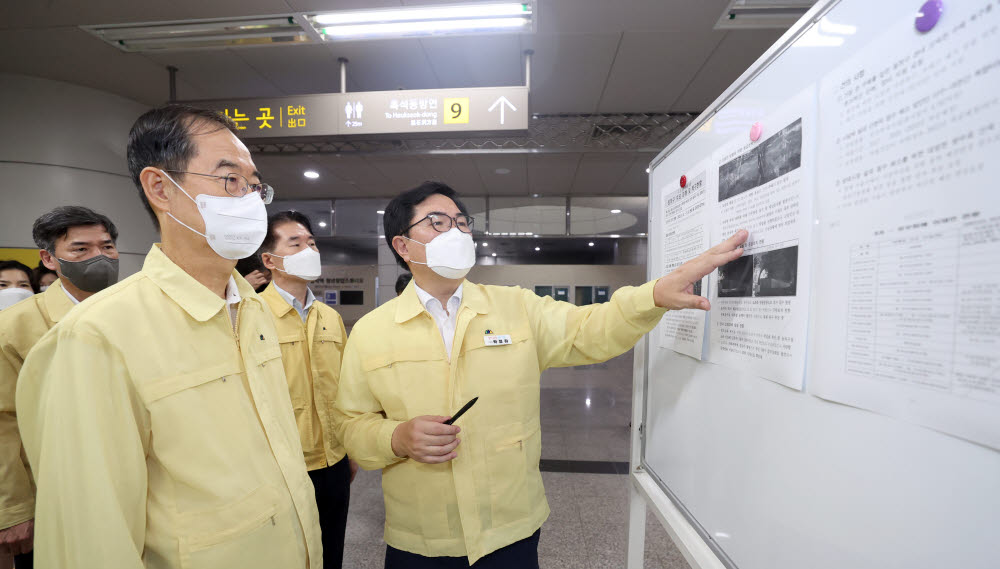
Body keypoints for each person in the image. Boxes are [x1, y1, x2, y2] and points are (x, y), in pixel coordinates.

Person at [336, 181, 747, 568]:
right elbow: (351, 424)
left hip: (510, 527)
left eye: (462, 223)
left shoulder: (516, 307)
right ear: (402, 245)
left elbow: (591, 328)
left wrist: (652, 295)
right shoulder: (372, 331)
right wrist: (396, 437)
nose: (456, 232)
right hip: (422, 537)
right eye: (438, 223)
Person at [15, 105, 321, 569]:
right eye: (229, 179)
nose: (251, 199)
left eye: (255, 185)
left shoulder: (253, 309)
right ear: (161, 187)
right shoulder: (98, 336)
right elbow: (90, 536)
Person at [0, 206, 121, 568]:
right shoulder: (15, 327)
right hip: (58, 493)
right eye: (81, 249)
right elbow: (3, 421)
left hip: (130, 483)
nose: (99, 257)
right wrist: (15, 508)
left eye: (108, 246)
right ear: (48, 259)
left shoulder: (137, 312)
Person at [258, 211, 356, 569]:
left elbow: (345, 387)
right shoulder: (253, 314)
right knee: (287, 556)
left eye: (312, 243)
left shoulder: (328, 317)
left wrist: (351, 448)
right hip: (282, 463)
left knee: (332, 552)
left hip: (333, 460)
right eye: (295, 243)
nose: (308, 249)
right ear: (269, 260)